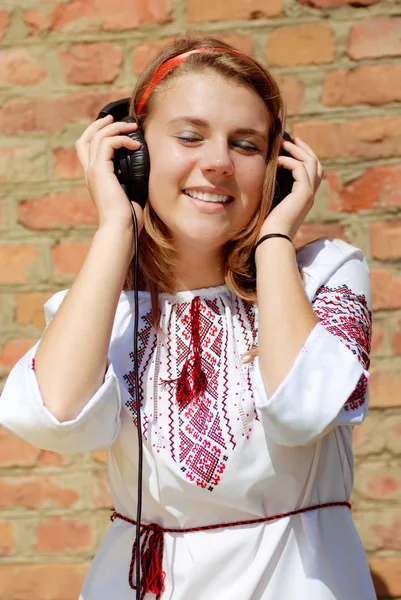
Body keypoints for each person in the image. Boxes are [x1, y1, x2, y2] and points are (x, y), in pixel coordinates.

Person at [0, 35, 376, 599]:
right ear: (133, 157)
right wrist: (113, 229)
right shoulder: (104, 307)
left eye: (246, 146)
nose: (219, 162)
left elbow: (302, 408)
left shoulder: (323, 276)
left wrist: (275, 235)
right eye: (189, 136)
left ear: (279, 169)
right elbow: (50, 417)